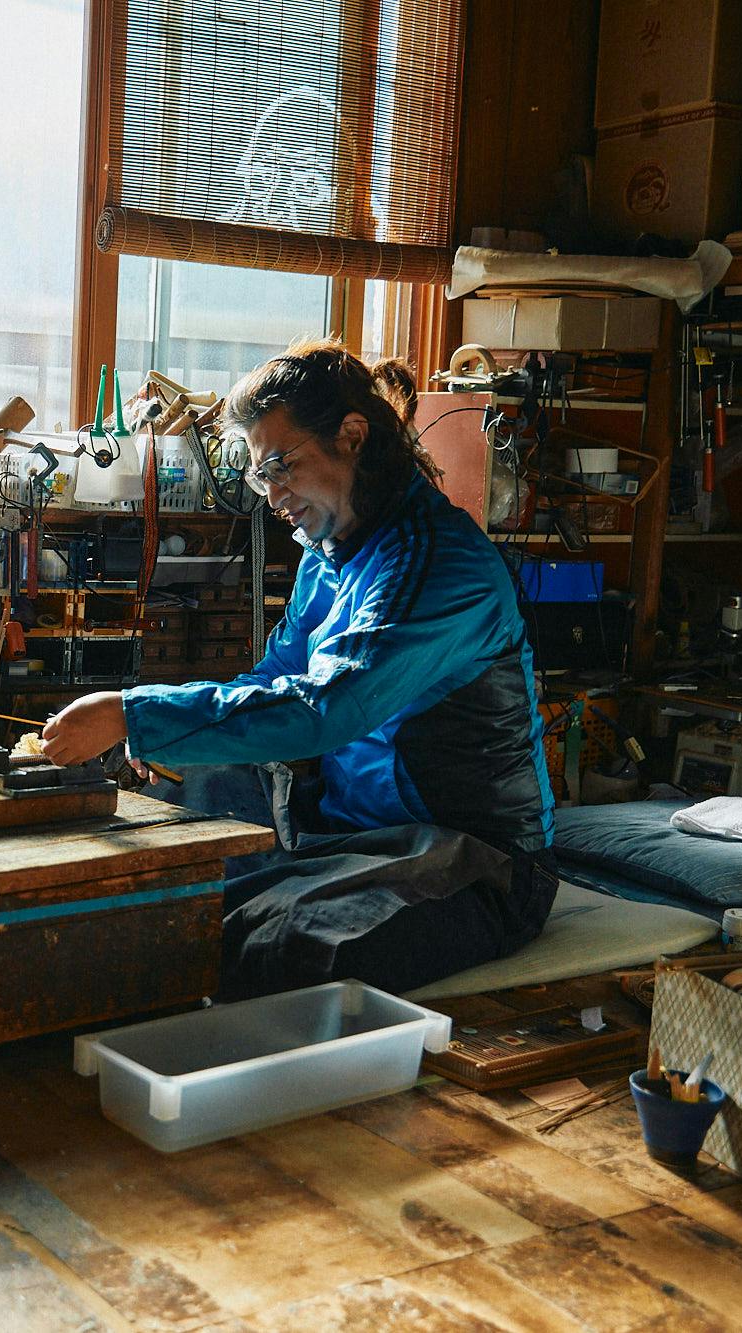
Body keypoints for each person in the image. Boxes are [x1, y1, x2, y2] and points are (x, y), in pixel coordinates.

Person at [41, 340, 557, 998]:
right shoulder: (331, 552)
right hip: (353, 835)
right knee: (176, 881)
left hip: (475, 860)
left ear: (351, 436)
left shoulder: (440, 564)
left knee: (279, 949)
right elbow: (271, 679)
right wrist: (163, 733)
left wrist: (131, 713)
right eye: (262, 477)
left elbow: (327, 708)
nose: (274, 495)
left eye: (282, 465)